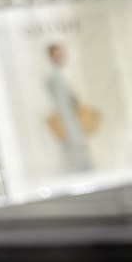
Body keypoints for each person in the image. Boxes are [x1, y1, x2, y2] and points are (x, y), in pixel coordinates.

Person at [45, 43, 94, 173]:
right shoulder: (54, 78)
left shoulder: (61, 74)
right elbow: (63, 107)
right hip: (69, 125)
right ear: (51, 57)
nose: (60, 57)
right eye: (57, 55)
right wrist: (71, 130)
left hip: (72, 123)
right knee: (77, 160)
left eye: (61, 54)